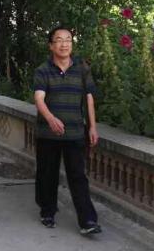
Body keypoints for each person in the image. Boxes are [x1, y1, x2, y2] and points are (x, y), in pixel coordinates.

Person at [32, 27, 102, 236]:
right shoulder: (43, 70)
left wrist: (93, 126)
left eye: (68, 40)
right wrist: (51, 119)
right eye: (59, 40)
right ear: (51, 45)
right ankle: (47, 211)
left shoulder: (82, 68)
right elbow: (39, 99)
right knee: (47, 174)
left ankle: (87, 220)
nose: (64, 44)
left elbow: (89, 98)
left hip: (75, 133)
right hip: (48, 133)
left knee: (78, 176)